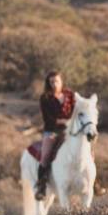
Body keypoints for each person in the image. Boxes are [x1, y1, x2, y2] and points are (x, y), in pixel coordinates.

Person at [35, 71, 74, 200]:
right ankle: (41, 187)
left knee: (87, 149)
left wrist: (71, 121)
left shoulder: (70, 95)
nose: (54, 84)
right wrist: (62, 121)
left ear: (61, 81)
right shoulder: (45, 98)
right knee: (45, 154)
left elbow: (76, 110)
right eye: (51, 82)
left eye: (57, 81)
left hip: (70, 129)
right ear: (48, 83)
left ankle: (95, 183)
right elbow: (47, 118)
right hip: (52, 130)